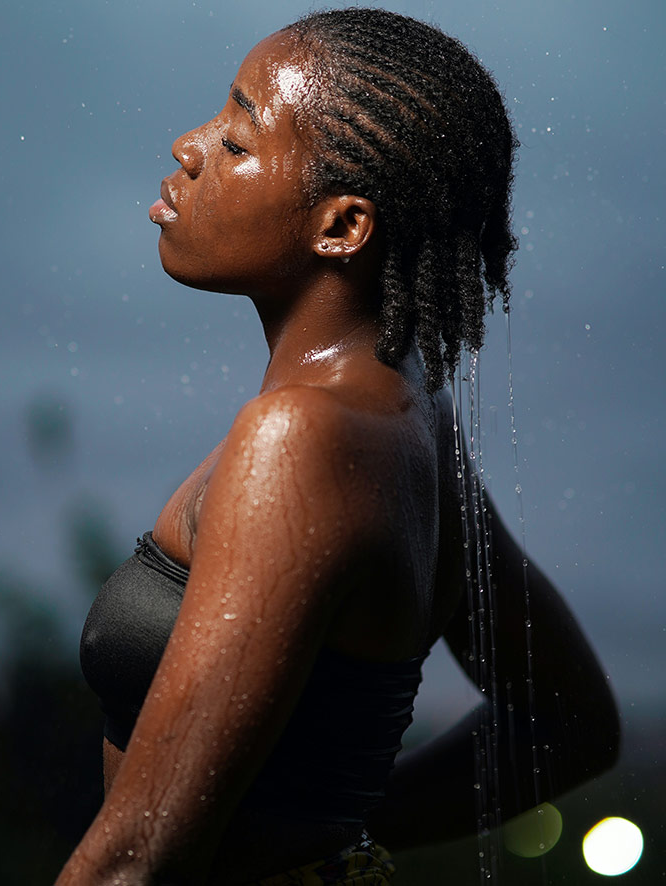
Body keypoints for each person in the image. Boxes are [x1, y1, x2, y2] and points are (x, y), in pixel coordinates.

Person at [57, 9, 619, 885]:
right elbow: (568, 721)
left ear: (343, 227)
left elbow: (134, 863)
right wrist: (332, 831)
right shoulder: (405, 414)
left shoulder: (302, 439)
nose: (188, 144)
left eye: (238, 140)